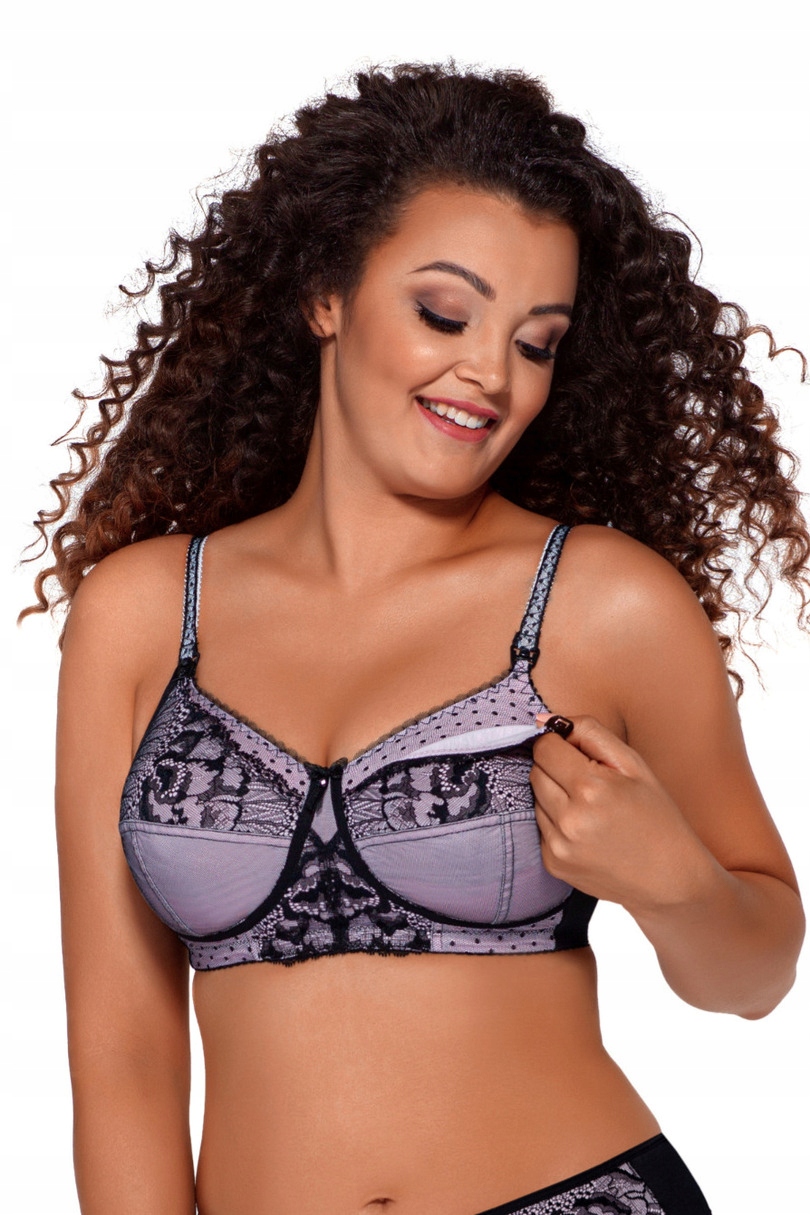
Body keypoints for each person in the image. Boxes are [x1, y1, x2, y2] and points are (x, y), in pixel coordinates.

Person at [24, 62, 807, 1215]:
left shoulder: (603, 604)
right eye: (445, 314)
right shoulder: (143, 618)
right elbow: (122, 1058)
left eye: (536, 343)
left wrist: (674, 882)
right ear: (326, 295)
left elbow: (758, 972)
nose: (489, 374)